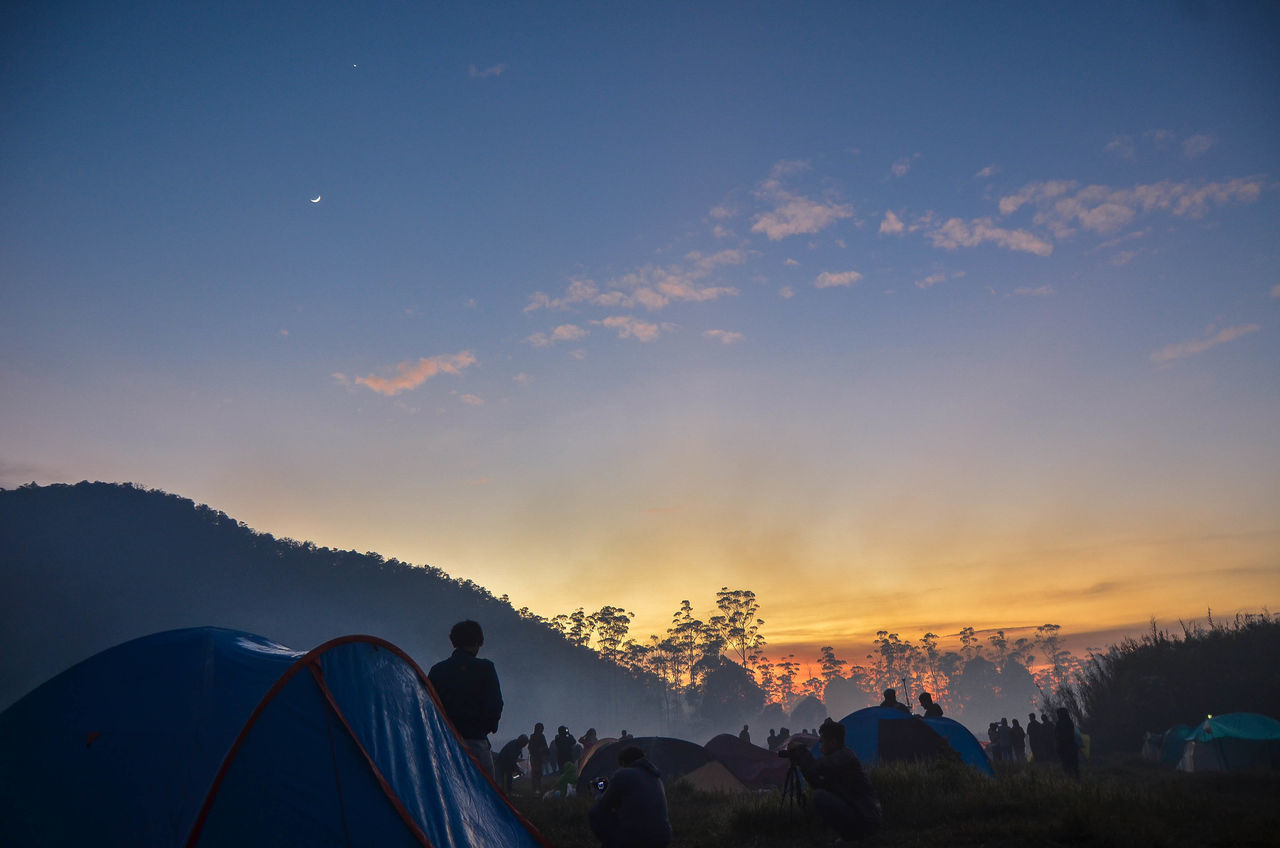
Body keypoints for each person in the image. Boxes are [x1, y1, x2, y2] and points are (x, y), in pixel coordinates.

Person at [786, 718, 882, 844]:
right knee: (819, 795)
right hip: (862, 815)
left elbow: (815, 767)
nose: (820, 745)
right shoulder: (840, 757)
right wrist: (802, 764)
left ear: (833, 742)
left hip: (865, 818)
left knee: (819, 797)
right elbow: (817, 783)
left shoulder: (843, 758)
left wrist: (802, 753)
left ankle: (853, 837)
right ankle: (851, 837)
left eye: (822, 742)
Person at [427, 619, 503, 778]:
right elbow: (495, 704)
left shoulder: (437, 670)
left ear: (454, 642)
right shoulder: (485, 668)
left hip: (444, 741)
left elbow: (428, 705)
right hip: (475, 739)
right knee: (485, 792)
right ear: (478, 641)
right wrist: (487, 727)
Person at [588, 745, 673, 848]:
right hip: (663, 837)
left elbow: (603, 806)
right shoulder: (656, 777)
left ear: (623, 763)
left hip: (637, 837)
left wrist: (597, 793)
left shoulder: (623, 774)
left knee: (594, 813)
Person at [1055, 707, 1080, 778]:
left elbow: (1060, 734)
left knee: (1069, 764)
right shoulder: (1067, 722)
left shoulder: (1064, 723)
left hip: (1067, 746)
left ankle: (1073, 778)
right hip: (1067, 746)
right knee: (1070, 765)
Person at [528, 723, 549, 793]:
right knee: (535, 773)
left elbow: (545, 746)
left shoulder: (541, 737)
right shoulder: (533, 737)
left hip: (539, 757)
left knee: (539, 773)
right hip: (535, 757)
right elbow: (530, 748)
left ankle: (538, 788)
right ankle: (535, 788)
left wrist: (543, 750)